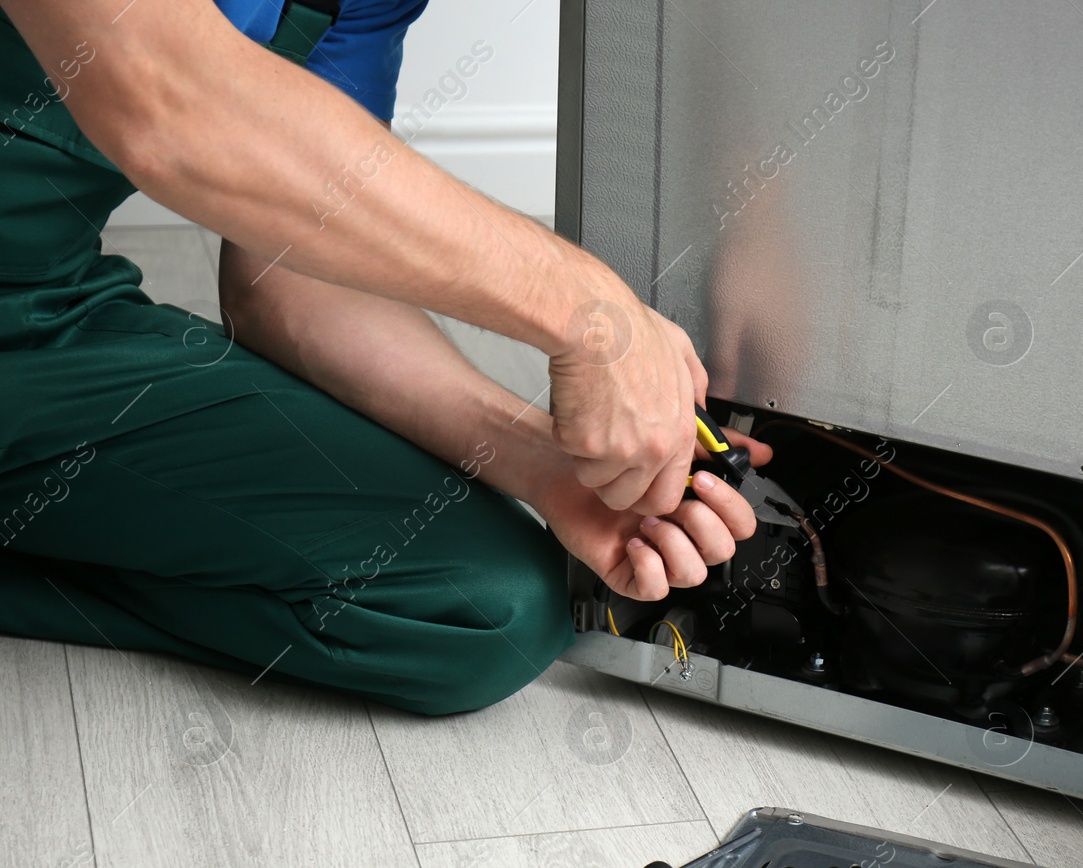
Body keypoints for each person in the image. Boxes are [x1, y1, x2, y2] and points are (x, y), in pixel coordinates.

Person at [0, 0, 768, 714]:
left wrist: (542, 463)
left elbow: (292, 274)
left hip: (41, 318)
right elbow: (165, 98)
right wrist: (583, 307)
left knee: (482, 607)